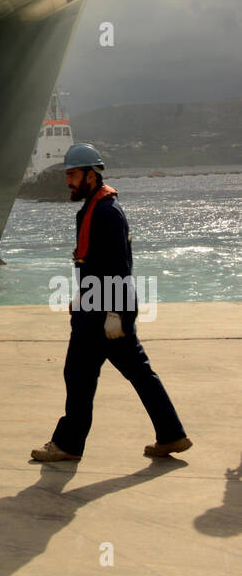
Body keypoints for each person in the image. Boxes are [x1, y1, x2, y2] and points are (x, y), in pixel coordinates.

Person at [31, 143, 192, 463]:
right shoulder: (97, 207)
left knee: (78, 375)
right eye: (68, 175)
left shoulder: (106, 211)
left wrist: (114, 313)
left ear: (92, 175)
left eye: (74, 175)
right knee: (136, 373)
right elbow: (96, 262)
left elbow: (119, 265)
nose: (69, 181)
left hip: (103, 311)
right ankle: (171, 434)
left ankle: (68, 444)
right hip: (99, 304)